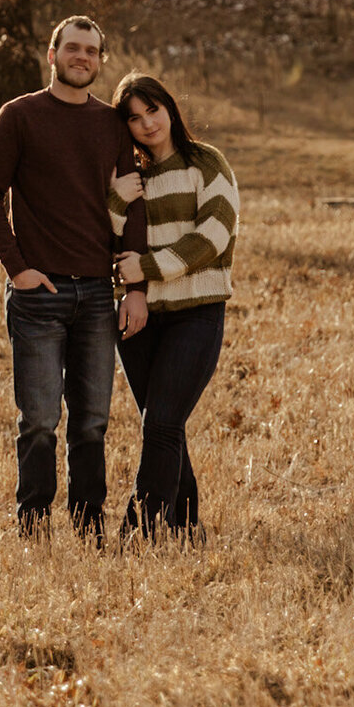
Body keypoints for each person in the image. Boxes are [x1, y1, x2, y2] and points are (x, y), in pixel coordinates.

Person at [0, 16, 148, 541]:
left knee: (93, 420)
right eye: (72, 48)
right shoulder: (19, 116)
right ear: (52, 55)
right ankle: (33, 524)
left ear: (101, 60)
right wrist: (18, 269)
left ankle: (89, 523)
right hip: (39, 294)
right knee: (40, 421)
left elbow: (130, 204)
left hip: (97, 292)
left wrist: (134, 285)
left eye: (92, 51)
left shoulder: (112, 124)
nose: (82, 58)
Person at [110, 72, 238, 541]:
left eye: (153, 111)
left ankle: (136, 534)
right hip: (142, 319)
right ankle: (186, 529)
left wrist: (147, 268)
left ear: (170, 109)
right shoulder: (133, 179)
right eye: (134, 118)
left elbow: (213, 235)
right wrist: (114, 197)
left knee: (162, 421)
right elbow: (108, 236)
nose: (147, 124)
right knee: (163, 426)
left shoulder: (206, 162)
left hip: (196, 312)